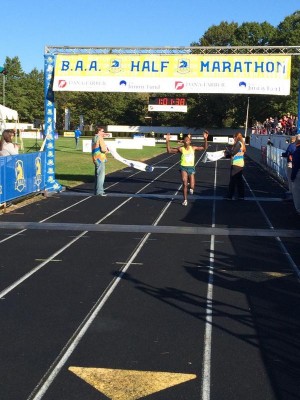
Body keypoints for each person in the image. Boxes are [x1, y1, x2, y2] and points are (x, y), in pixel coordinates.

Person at [166, 131, 208, 206]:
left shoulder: (193, 148)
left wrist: (205, 139)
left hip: (191, 168)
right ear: (184, 142)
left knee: (192, 186)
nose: (186, 142)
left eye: (187, 140)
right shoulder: (181, 149)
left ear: (190, 141)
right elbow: (169, 151)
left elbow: (205, 148)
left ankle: (191, 187)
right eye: (185, 141)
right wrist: (167, 141)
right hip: (183, 168)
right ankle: (185, 200)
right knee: (184, 183)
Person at [224, 132, 246, 200]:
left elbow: (233, 153)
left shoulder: (238, 143)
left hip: (236, 164)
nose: (233, 138)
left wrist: (226, 152)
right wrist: (227, 155)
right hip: (240, 164)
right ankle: (241, 196)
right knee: (239, 181)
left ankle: (230, 196)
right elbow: (235, 153)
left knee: (233, 180)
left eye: (234, 137)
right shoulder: (241, 143)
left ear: (236, 137)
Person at [92, 127, 109, 196]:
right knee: (101, 176)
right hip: (100, 158)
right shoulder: (100, 138)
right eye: (102, 131)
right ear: (99, 131)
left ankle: (96, 191)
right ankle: (100, 192)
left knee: (97, 175)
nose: (104, 132)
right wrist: (107, 150)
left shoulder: (94, 137)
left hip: (95, 158)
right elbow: (103, 149)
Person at [281, 136, 297, 200]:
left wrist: (283, 154)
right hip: (296, 163)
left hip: (291, 163)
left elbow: (287, 153)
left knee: (290, 178)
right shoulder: (297, 146)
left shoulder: (291, 145)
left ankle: (291, 192)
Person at [291, 137, 300, 215]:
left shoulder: (297, 152)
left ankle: (298, 209)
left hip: (298, 173)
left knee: (296, 192)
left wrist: (292, 176)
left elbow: (295, 165)